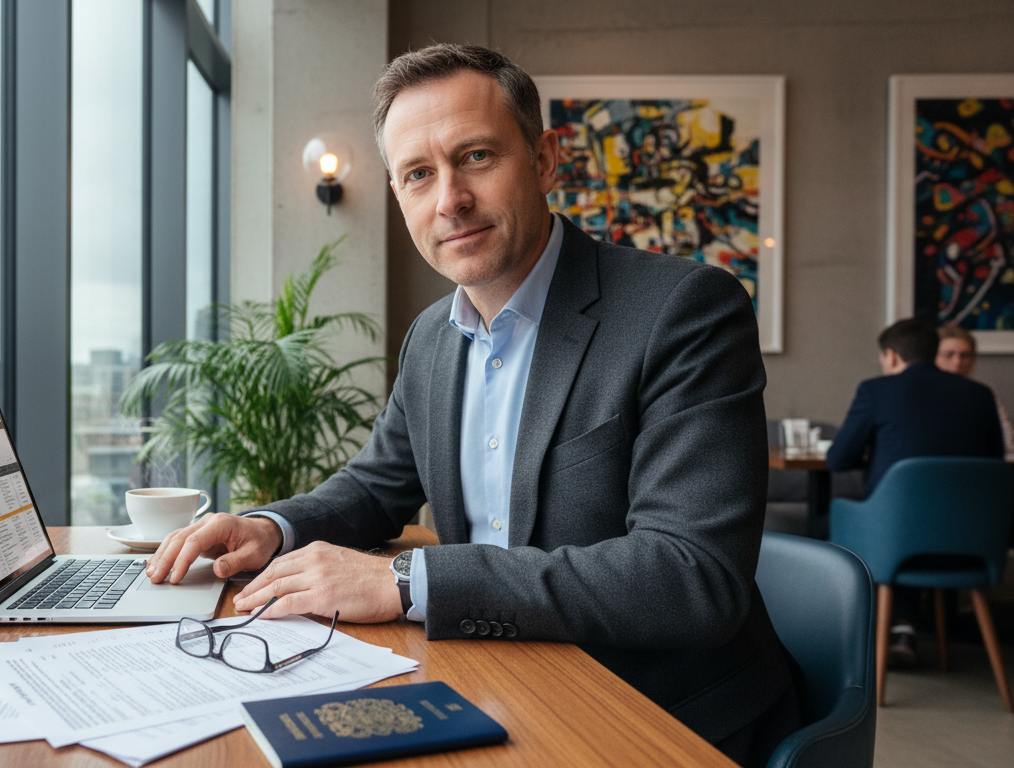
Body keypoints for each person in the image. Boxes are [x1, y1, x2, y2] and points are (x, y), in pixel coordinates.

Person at [147, 44, 797, 766]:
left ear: (547, 160)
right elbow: (376, 484)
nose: (448, 199)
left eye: (477, 157)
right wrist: (272, 526)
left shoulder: (683, 310)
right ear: (398, 195)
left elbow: (689, 577)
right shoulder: (432, 335)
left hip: (653, 709)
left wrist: (402, 581)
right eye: (419, 175)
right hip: (500, 680)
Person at [826, 318, 1004, 665]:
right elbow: (992, 460)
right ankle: (904, 626)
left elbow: (838, 459)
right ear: (934, 352)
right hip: (971, 539)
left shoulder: (876, 391)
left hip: (894, 537)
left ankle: (855, 636)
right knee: (911, 522)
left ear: (891, 356)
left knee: (827, 524)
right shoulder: (980, 395)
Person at [935, 325, 1014, 461]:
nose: (957, 362)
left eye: (965, 355)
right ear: (933, 357)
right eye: (949, 355)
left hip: (976, 468)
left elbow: (1008, 443)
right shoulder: (919, 393)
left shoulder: (982, 393)